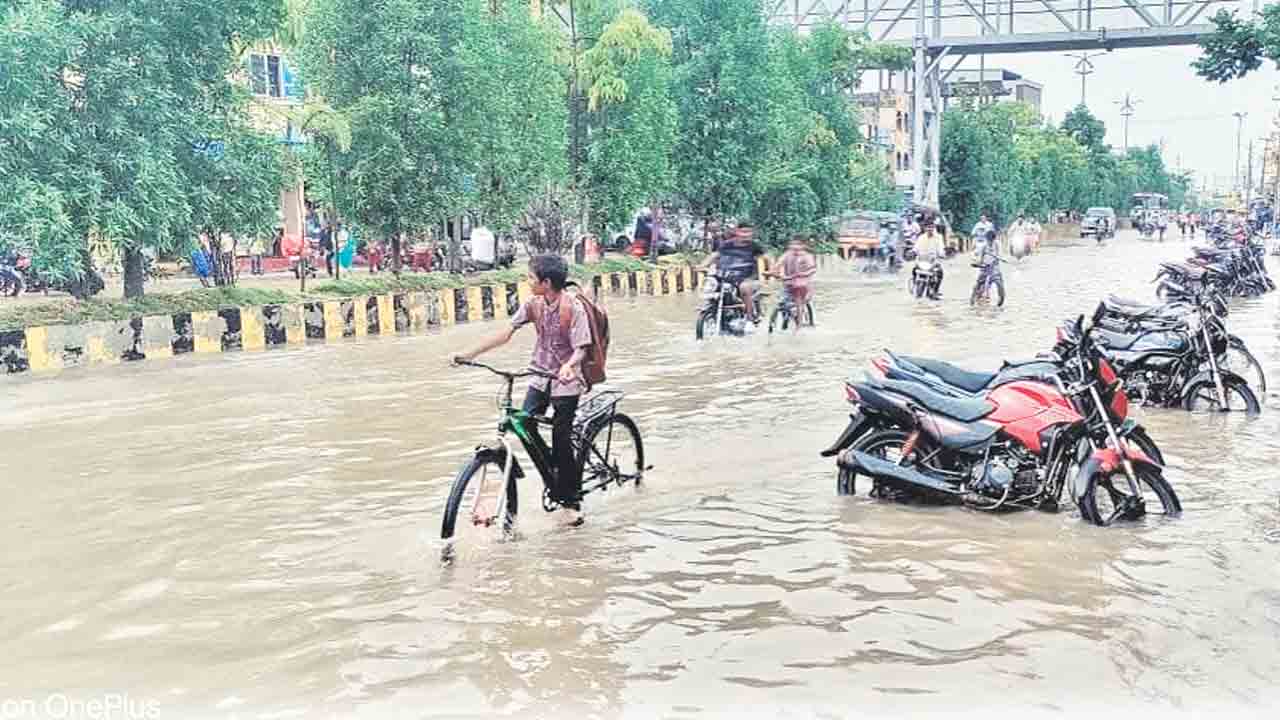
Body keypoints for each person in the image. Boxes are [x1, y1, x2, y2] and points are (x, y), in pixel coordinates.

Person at [452, 254, 593, 527]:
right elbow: (506, 332)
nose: (527, 281)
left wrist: (569, 365)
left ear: (546, 282)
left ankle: (571, 500)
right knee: (524, 423)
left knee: (561, 437)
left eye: (530, 277)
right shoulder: (533, 304)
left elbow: (581, 349)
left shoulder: (573, 308)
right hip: (539, 375)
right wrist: (468, 354)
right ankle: (553, 471)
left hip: (566, 380)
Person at [703, 222, 767, 324]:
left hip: (747, 278)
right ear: (737, 232)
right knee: (712, 285)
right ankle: (713, 310)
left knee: (744, 288)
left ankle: (750, 318)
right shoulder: (726, 244)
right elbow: (714, 255)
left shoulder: (754, 246)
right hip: (726, 275)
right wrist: (702, 265)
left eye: (748, 232)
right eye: (743, 232)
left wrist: (773, 270)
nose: (746, 235)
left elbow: (767, 257)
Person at [768, 236, 817, 330]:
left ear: (803, 246)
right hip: (788, 284)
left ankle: (800, 327)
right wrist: (773, 271)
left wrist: (803, 274)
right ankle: (773, 325)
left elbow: (812, 269)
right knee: (779, 303)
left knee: (800, 303)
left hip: (802, 285)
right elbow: (778, 264)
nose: (794, 247)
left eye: (797, 244)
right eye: (792, 244)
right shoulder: (787, 254)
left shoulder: (807, 256)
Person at [916, 218, 946, 298]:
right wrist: (913, 252)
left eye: (932, 227)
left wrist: (941, 254)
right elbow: (916, 248)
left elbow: (941, 248)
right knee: (914, 270)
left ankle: (935, 290)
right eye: (928, 227)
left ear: (934, 228)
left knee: (939, 273)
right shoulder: (921, 238)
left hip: (933, 261)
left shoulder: (938, 237)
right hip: (922, 260)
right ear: (925, 228)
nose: (930, 229)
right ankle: (915, 283)